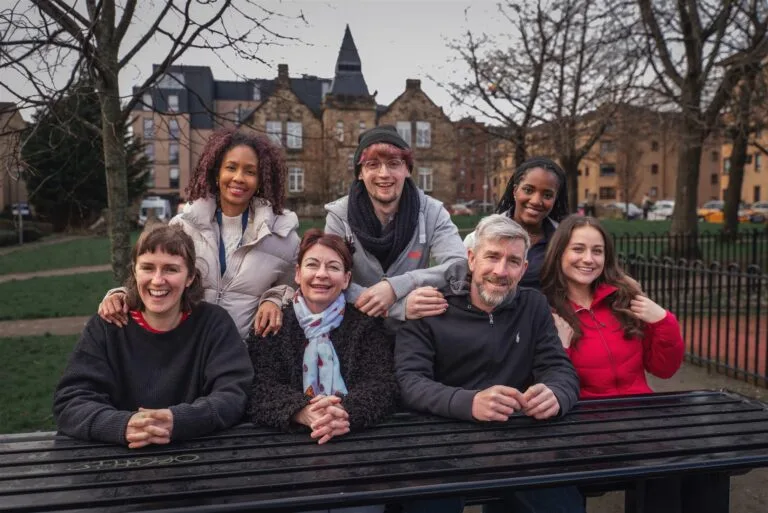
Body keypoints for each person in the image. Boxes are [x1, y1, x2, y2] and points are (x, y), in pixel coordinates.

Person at [396, 214, 583, 513]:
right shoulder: (430, 306)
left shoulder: (532, 305)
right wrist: (469, 403)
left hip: (517, 439)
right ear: (471, 259)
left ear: (523, 269)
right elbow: (409, 382)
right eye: (492, 256)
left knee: (563, 506)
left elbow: (559, 369)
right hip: (441, 440)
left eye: (512, 261)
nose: (500, 270)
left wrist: (556, 394)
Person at [53, 224, 254, 447]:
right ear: (134, 272)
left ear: (190, 277)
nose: (158, 280)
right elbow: (71, 401)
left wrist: (180, 420)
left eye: (171, 269)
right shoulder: (107, 327)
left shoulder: (214, 324)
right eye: (148, 268)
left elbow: (235, 393)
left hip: (198, 455)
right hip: (119, 457)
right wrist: (122, 425)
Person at [97, 129, 300, 339]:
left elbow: (294, 287)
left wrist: (274, 298)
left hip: (247, 358)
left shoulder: (282, 237)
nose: (238, 178)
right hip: (188, 352)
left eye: (250, 172)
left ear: (261, 180)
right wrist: (120, 295)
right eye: (231, 168)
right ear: (216, 172)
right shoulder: (183, 227)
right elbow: (157, 277)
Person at [248, 229, 397, 513]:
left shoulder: (365, 325)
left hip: (356, 449)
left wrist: (343, 413)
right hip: (287, 451)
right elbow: (260, 388)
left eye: (333, 267)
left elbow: (381, 385)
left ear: (346, 279)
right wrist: (302, 412)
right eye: (312, 265)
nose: (321, 275)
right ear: (297, 273)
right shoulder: (275, 323)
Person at [325, 125, 467, 323]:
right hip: (354, 324)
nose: (384, 174)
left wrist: (396, 286)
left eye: (393, 164)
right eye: (373, 165)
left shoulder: (432, 212)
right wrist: (396, 306)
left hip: (413, 328)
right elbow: (329, 279)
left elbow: (458, 266)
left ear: (407, 169)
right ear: (360, 173)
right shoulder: (339, 215)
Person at [541, 214, 684, 398]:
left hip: (639, 411)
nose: (588, 259)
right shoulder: (547, 312)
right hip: (585, 419)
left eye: (597, 251)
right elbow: (547, 387)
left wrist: (665, 322)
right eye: (578, 249)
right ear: (559, 253)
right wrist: (562, 348)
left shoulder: (625, 301)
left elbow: (664, 370)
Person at [464, 157, 569, 290]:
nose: (536, 201)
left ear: (555, 199)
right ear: (515, 191)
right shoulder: (479, 237)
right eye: (528, 190)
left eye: (547, 195)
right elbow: (456, 279)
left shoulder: (564, 240)